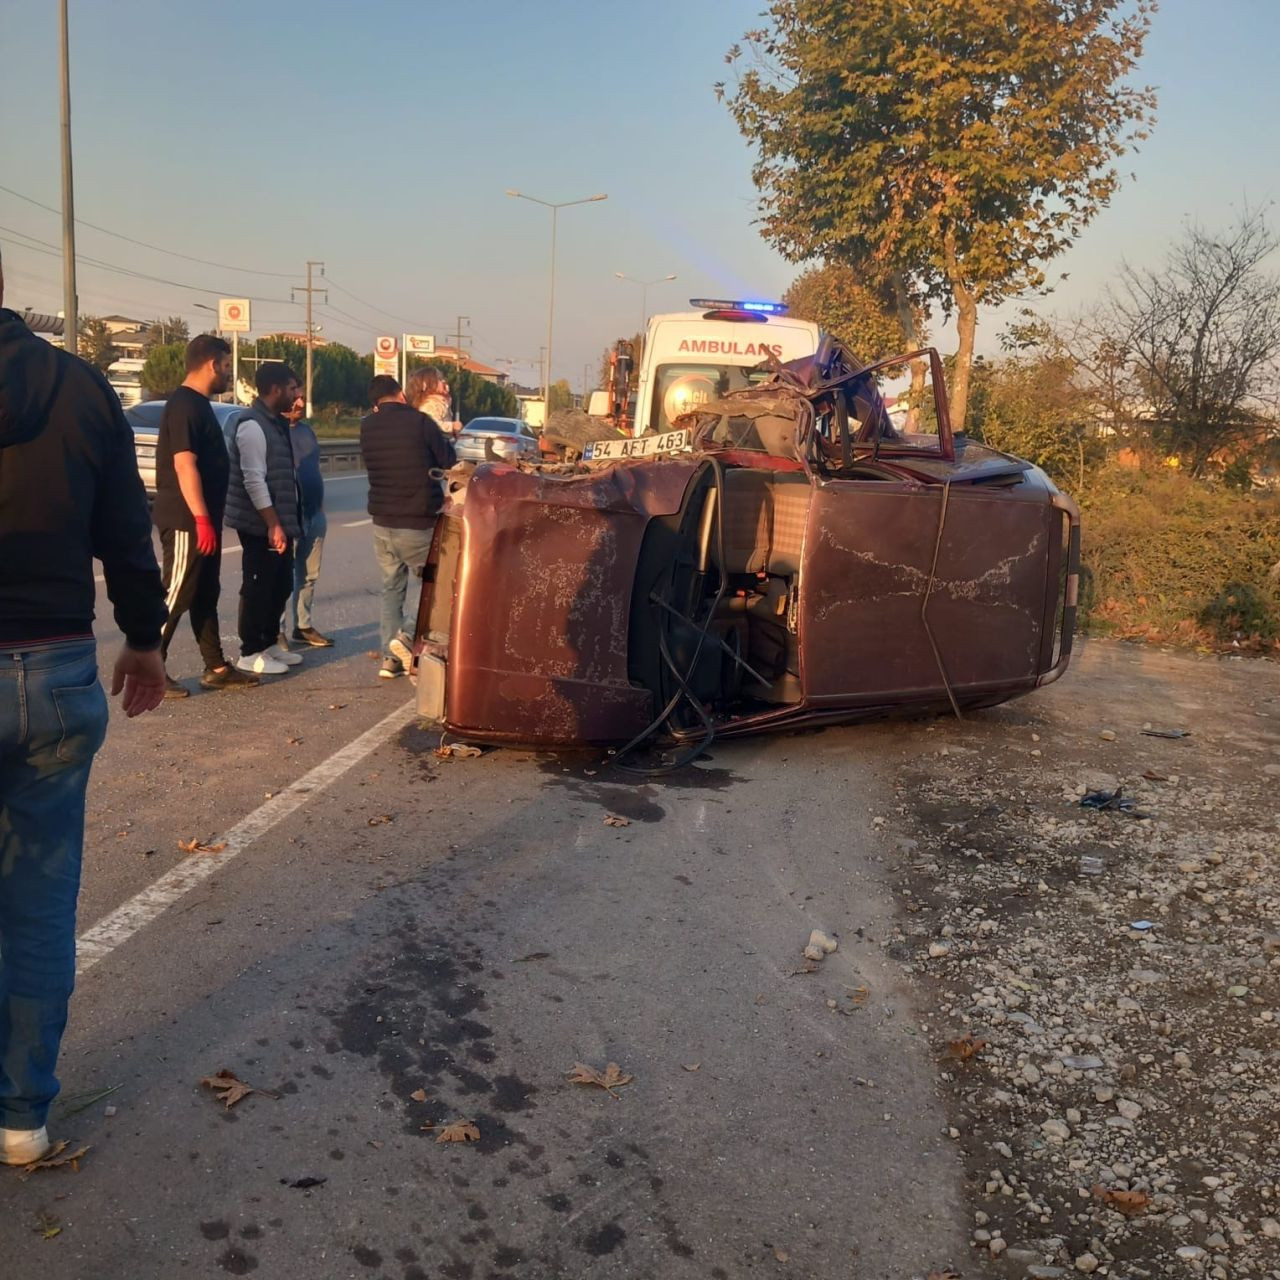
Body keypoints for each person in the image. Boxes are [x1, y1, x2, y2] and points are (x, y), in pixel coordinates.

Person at [0, 248, 167, 1165]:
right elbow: (126, 535)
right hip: (58, 672)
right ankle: (22, 1117)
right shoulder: (81, 388)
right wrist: (142, 638)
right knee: (35, 910)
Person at [153, 334, 259, 696]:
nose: (229, 374)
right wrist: (199, 518)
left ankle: (215, 666)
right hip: (185, 520)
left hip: (204, 520)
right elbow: (184, 465)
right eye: (227, 366)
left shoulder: (200, 405)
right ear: (212, 364)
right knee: (177, 592)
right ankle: (150, 665)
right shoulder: (184, 405)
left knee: (205, 592)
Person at [360, 374, 456, 678]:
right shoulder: (420, 422)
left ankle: (390, 659)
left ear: (375, 402)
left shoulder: (366, 426)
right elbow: (448, 460)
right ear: (401, 394)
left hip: (382, 523)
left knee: (391, 588)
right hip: (417, 522)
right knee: (438, 585)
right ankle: (406, 636)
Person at [224, 363, 304, 676]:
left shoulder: (276, 423)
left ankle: (269, 642)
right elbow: (253, 479)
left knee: (280, 583)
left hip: (280, 521)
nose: (297, 395)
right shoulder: (252, 425)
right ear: (274, 389)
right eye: (292, 388)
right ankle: (250, 651)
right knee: (258, 585)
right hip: (260, 524)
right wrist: (273, 523)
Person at [281, 391, 331, 648]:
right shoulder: (273, 432)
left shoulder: (307, 432)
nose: (300, 404)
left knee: (309, 573)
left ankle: (303, 625)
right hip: (288, 514)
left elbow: (314, 467)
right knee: (282, 575)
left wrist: (320, 507)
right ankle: (276, 630)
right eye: (295, 399)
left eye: (302, 398)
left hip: (314, 512)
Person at [406, 365, 454, 436]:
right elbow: (433, 424)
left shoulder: (439, 401)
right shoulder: (430, 405)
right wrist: (453, 426)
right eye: (439, 379)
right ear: (427, 384)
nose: (444, 381)